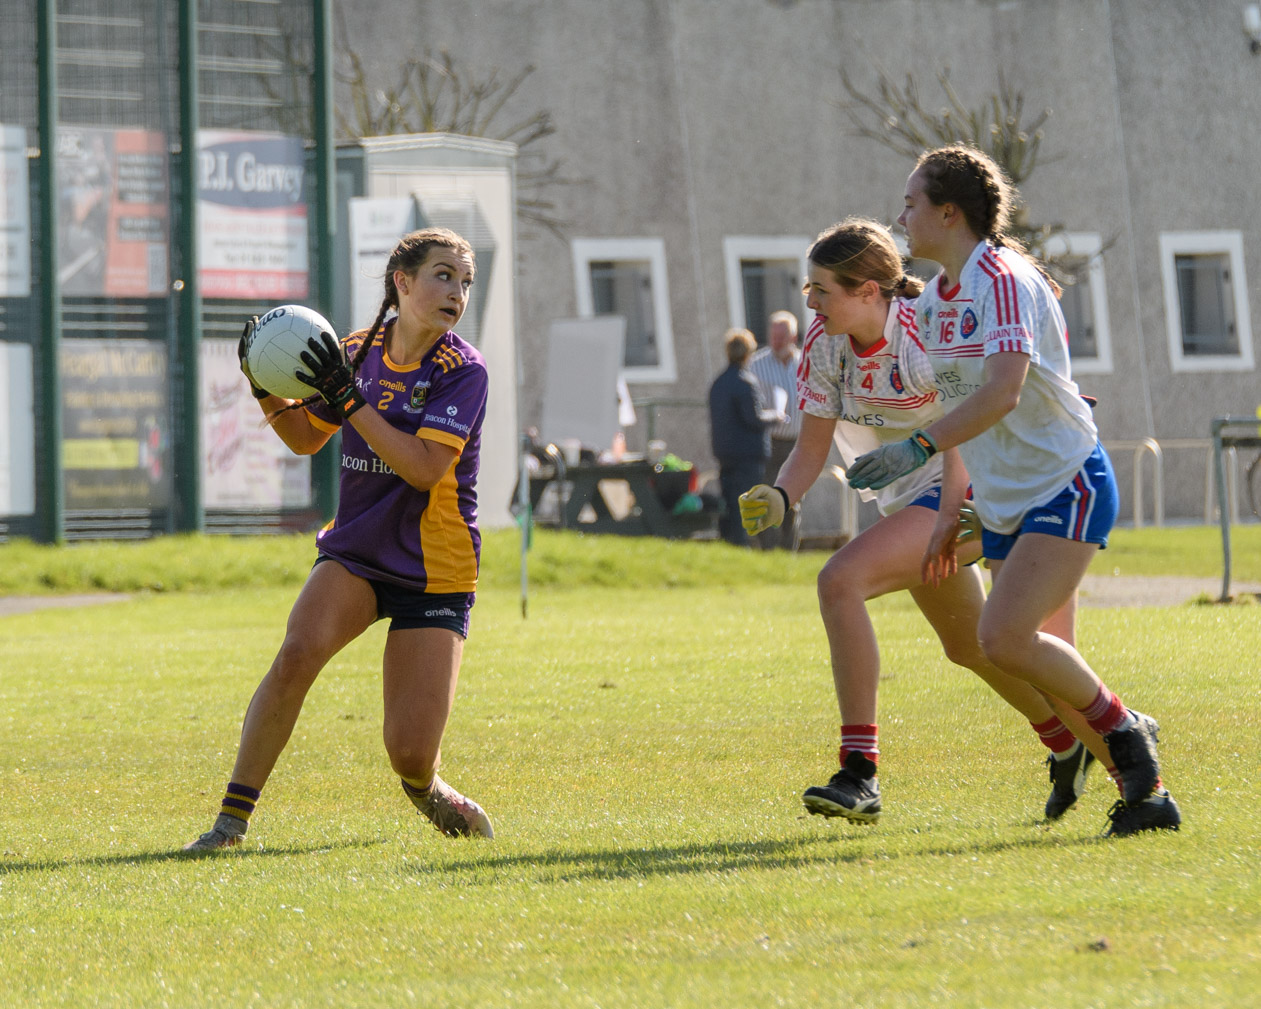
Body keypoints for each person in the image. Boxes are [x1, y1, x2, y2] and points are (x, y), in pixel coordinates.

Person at [846, 145, 1180, 837]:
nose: (900, 215)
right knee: (1048, 668)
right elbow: (958, 411)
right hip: (1000, 502)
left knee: (1000, 637)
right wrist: (948, 507)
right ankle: (1145, 797)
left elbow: (1001, 391)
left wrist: (915, 449)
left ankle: (1128, 731)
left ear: (948, 211)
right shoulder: (934, 300)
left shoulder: (1001, 277)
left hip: (1065, 481)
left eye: (911, 202)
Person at [739, 217, 1113, 826]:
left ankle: (858, 771)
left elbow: (968, 426)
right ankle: (1071, 742)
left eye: (821, 289)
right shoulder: (824, 341)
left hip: (967, 485)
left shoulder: (920, 331)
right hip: (910, 496)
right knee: (970, 646)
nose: (809, 302)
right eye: (807, 289)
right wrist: (781, 497)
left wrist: (947, 518)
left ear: (868, 291)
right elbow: (810, 449)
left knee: (840, 581)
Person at [184, 227, 495, 851]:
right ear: (402, 282)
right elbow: (305, 438)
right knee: (297, 653)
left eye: (464, 281)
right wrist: (264, 386)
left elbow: (424, 469)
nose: (456, 291)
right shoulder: (353, 351)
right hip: (355, 551)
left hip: (434, 569)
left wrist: (350, 401)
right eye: (442, 275)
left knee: (407, 752)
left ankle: (426, 784)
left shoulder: (465, 371)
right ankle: (229, 825)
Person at [708, 328, 784, 547]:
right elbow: (753, 419)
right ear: (748, 353)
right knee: (746, 502)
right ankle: (743, 544)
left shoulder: (718, 382)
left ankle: (728, 543)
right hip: (747, 454)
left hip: (725, 452)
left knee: (729, 502)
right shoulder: (745, 382)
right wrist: (775, 416)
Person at [747, 310, 803, 549]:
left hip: (799, 444)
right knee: (768, 499)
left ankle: (788, 551)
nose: (777, 341)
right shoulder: (756, 365)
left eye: (782, 336)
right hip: (770, 444)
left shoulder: (805, 363)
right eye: (774, 336)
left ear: (793, 336)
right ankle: (767, 551)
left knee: (793, 501)